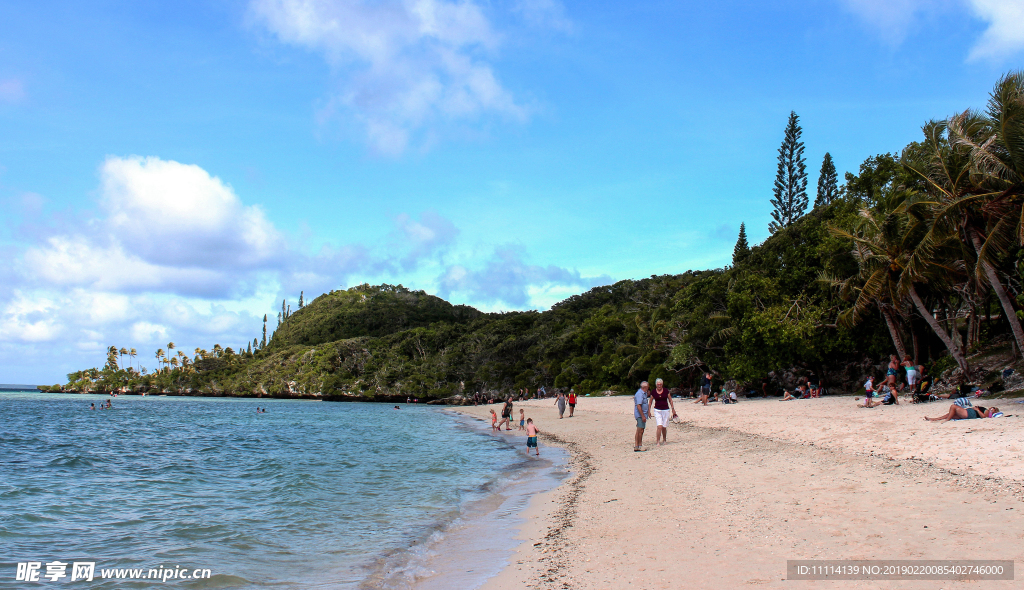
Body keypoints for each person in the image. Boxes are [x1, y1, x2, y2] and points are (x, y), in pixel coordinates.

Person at [650, 378, 678, 446]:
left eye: (660, 384)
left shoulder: (666, 391)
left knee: (664, 427)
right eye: (658, 384)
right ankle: (658, 441)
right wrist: (648, 411)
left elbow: (670, 400)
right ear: (656, 385)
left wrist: (673, 409)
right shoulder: (653, 392)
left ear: (662, 385)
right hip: (657, 410)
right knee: (659, 426)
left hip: (666, 410)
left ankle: (664, 440)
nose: (659, 386)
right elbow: (650, 402)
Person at [925, 405, 1000, 422]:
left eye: (993, 410)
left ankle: (947, 420)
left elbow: (984, 417)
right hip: (969, 413)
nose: (991, 409)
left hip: (970, 413)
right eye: (991, 408)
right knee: (950, 414)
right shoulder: (987, 410)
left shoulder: (986, 411)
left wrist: (977, 410)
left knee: (953, 407)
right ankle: (934, 419)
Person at [634, 381, 650, 452]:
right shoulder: (640, 394)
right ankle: (639, 445)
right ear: (645, 387)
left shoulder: (644, 393)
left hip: (643, 414)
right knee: (640, 430)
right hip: (640, 415)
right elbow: (639, 406)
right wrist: (643, 416)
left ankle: (637, 445)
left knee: (640, 429)